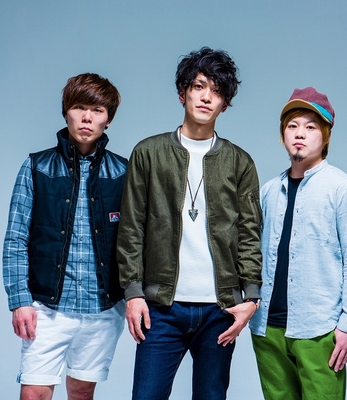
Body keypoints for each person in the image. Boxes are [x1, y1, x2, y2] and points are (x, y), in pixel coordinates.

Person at [116, 46, 262, 400]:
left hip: (220, 309)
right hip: (161, 308)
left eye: (217, 91)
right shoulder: (148, 153)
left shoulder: (239, 162)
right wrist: (133, 293)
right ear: (183, 93)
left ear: (224, 104)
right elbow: (131, 227)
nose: (206, 97)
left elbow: (249, 233)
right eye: (199, 86)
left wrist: (252, 298)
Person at [3, 73, 127, 400]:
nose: (87, 117)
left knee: (82, 393)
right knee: (34, 393)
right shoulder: (36, 167)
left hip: (104, 307)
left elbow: (134, 243)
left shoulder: (123, 172)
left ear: (108, 120)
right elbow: (16, 238)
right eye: (79, 107)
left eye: (97, 110)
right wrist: (19, 301)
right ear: (66, 112)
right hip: (47, 306)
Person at [249, 87, 347, 400]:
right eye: (292, 126)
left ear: (326, 136)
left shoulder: (343, 189)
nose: (300, 133)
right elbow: (252, 252)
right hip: (267, 328)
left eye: (311, 126)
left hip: (319, 328)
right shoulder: (268, 191)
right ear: (282, 135)